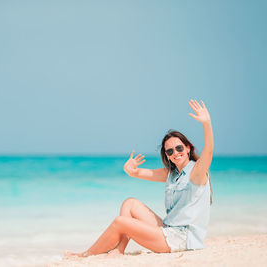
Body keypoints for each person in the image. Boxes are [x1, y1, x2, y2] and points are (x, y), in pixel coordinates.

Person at [65, 99, 213, 256]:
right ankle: (118, 250)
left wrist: (207, 123)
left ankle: (85, 255)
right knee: (130, 204)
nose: (175, 153)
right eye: (170, 151)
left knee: (120, 222)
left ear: (188, 148)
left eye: (179, 148)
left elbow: (208, 151)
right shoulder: (171, 174)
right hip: (169, 230)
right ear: (167, 156)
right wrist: (129, 169)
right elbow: (138, 173)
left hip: (182, 239)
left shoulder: (196, 172)